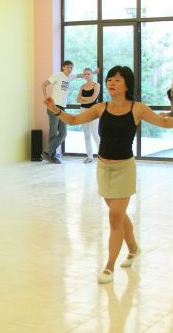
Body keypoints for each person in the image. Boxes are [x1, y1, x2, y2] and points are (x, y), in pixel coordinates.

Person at [44, 65, 173, 284]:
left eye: (117, 80)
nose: (111, 83)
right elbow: (74, 120)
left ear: (127, 85)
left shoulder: (138, 108)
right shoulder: (101, 107)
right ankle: (134, 248)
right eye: (110, 79)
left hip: (124, 169)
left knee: (114, 218)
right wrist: (55, 109)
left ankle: (109, 267)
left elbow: (165, 122)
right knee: (119, 215)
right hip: (103, 168)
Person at [41, 60, 97, 164]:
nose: (70, 69)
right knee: (53, 132)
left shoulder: (70, 76)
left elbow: (82, 75)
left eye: (71, 67)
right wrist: (46, 97)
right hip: (54, 106)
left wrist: (93, 72)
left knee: (63, 133)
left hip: (62, 108)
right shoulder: (58, 75)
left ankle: (47, 152)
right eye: (67, 67)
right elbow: (43, 84)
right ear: (63, 67)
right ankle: (51, 156)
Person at [76, 68, 100, 163]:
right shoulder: (82, 86)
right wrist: (86, 99)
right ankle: (89, 157)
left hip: (93, 111)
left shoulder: (96, 85)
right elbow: (77, 99)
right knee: (86, 134)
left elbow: (93, 99)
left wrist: (83, 98)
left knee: (95, 134)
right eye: (85, 74)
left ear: (92, 74)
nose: (86, 75)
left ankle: (102, 156)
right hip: (83, 111)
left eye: (88, 74)